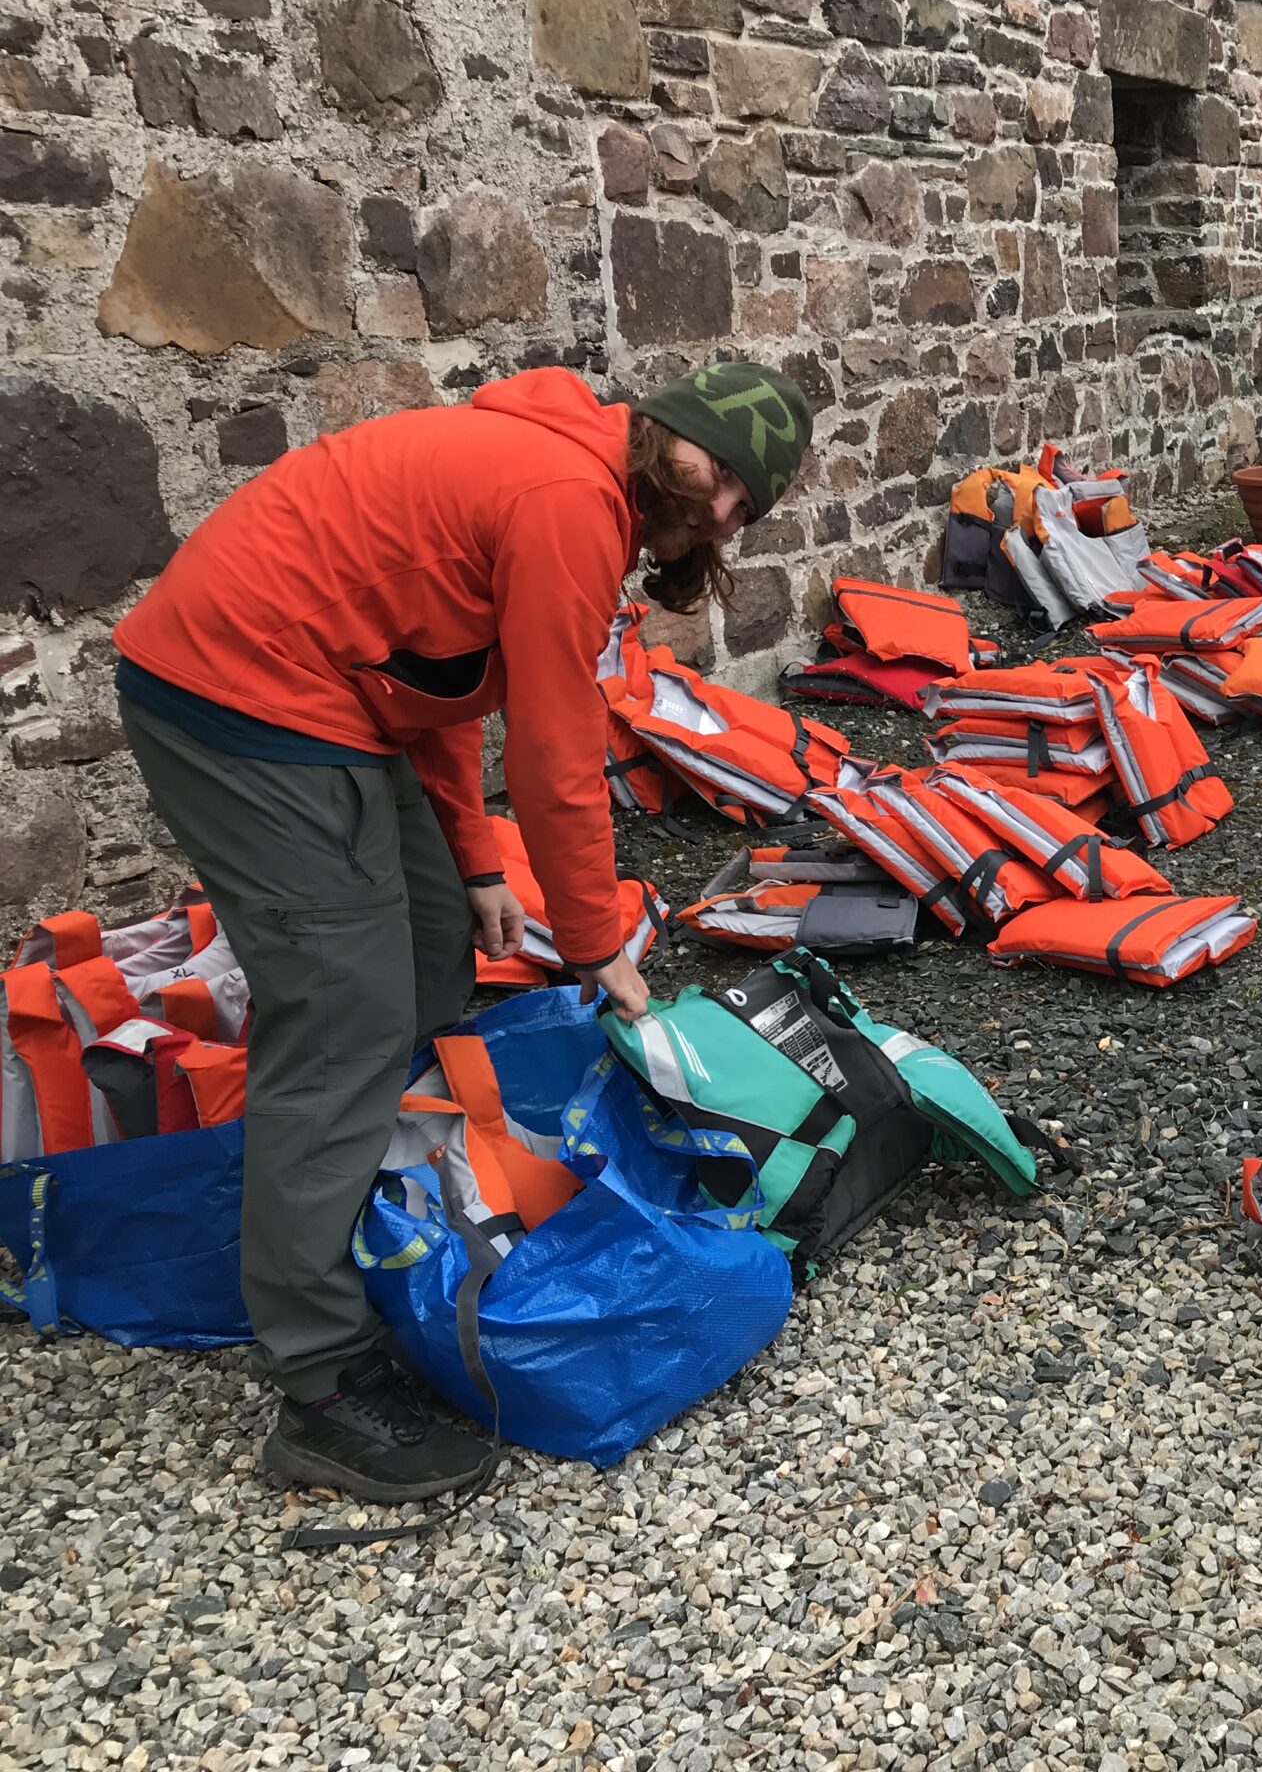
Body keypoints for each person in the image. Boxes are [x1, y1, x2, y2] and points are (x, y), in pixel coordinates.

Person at [112, 359, 812, 1501]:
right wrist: (596, 944)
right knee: (343, 1012)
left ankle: (407, 1193)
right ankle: (324, 1380)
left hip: (331, 695)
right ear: (666, 433)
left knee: (437, 928)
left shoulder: (571, 481)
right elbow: (554, 750)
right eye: (718, 471)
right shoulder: (566, 500)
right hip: (240, 694)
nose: (721, 507)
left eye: (746, 502)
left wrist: (477, 861)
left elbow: (436, 684)